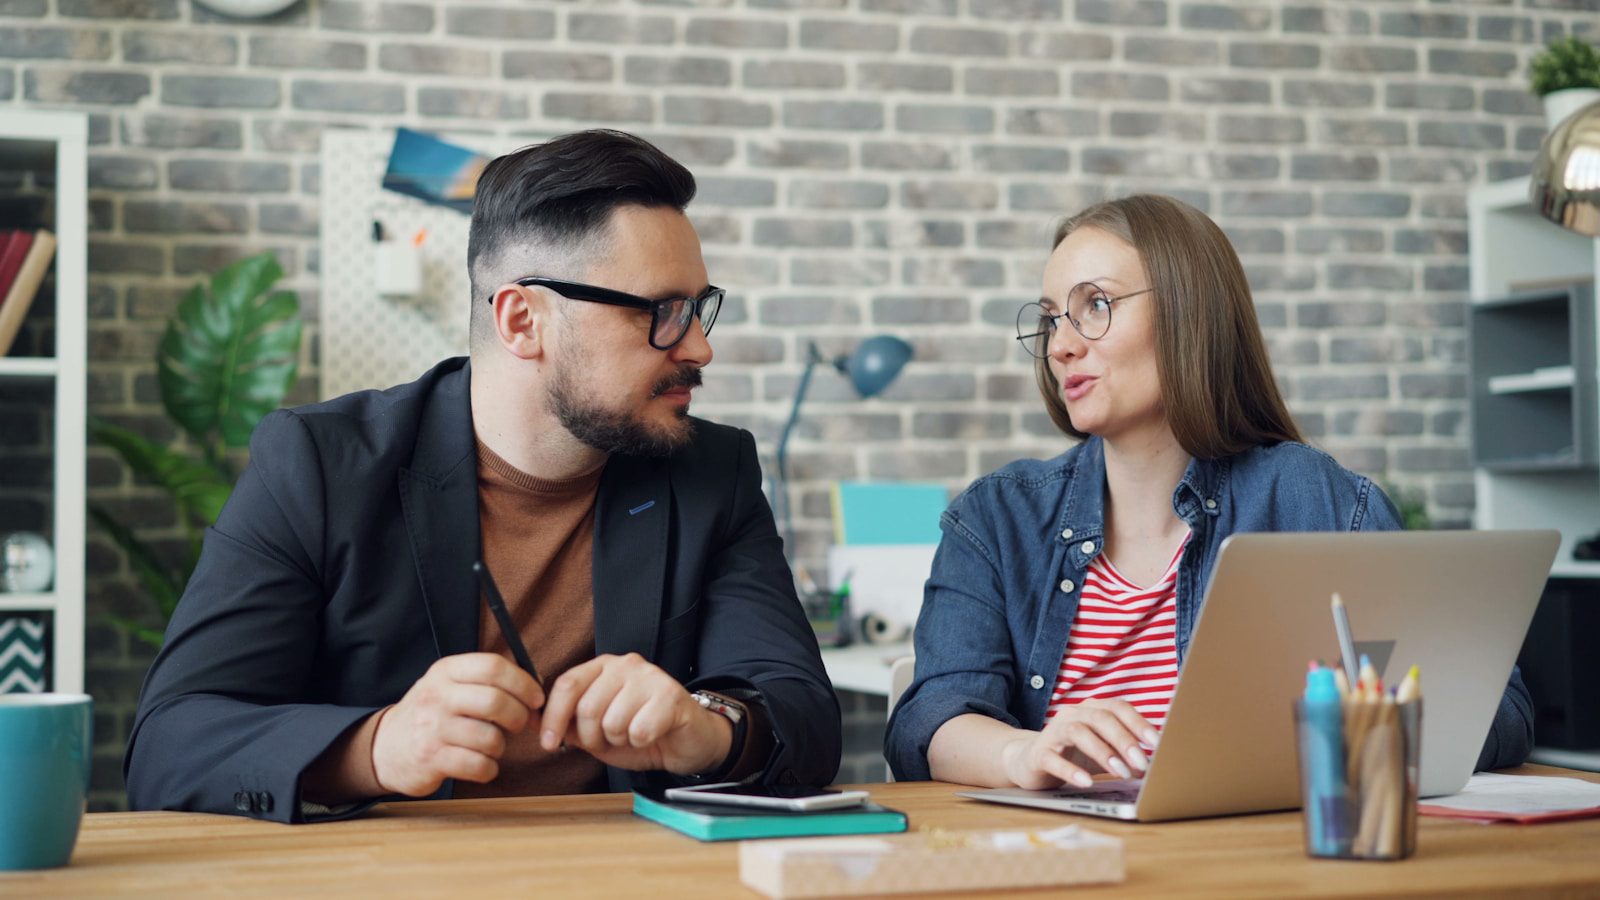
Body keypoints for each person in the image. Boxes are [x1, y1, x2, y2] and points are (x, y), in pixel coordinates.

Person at [125, 130, 842, 822]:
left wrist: (708, 728)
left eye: (697, 309)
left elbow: (803, 713)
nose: (699, 348)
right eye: (661, 312)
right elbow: (171, 744)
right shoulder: (319, 466)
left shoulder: (710, 473)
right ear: (522, 320)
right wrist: (375, 748)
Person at [884, 194, 1533, 788]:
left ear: (1187, 309)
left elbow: (1496, 710)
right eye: (1052, 319)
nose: (1060, 346)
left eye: (1095, 306)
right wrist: (1021, 754)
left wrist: (1331, 727)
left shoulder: (1318, 502)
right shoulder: (996, 519)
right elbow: (933, 720)